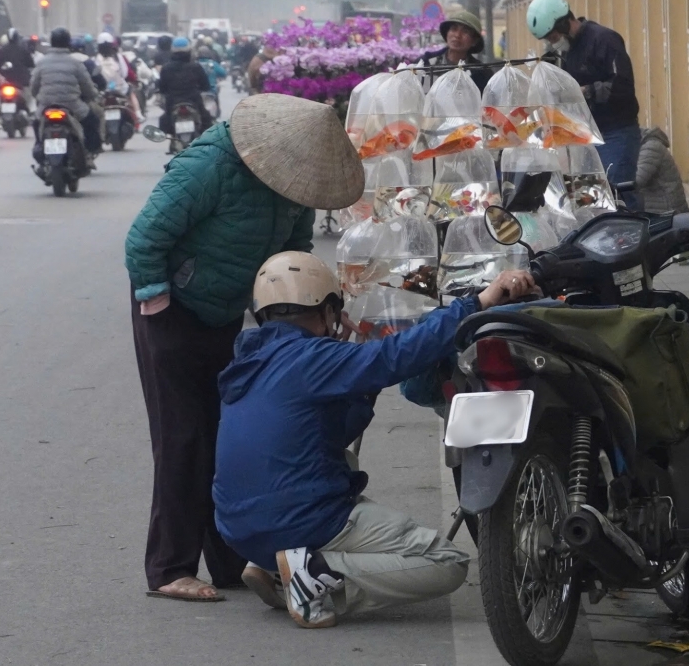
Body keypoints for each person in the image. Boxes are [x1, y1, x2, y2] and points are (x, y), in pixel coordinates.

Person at [124, 93, 365, 604]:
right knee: (183, 437)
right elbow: (144, 238)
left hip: (226, 309)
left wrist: (316, 310)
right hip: (171, 307)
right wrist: (158, 304)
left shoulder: (290, 185)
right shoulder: (208, 166)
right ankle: (169, 566)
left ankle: (231, 561)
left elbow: (291, 255)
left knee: (226, 432)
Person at [214, 255, 536, 628]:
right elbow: (396, 355)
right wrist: (479, 302)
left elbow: (330, 434)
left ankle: (272, 564)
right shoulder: (313, 358)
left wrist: (354, 380)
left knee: (331, 462)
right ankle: (312, 574)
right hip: (296, 519)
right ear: (328, 310)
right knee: (447, 563)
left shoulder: (251, 361)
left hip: (240, 528)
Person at [526, 0, 642, 208]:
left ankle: (639, 235)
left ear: (563, 23)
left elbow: (622, 85)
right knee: (593, 197)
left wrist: (585, 91)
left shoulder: (603, 39)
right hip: (586, 134)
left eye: (552, 37)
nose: (553, 43)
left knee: (618, 191)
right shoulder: (567, 52)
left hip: (616, 132)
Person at [29, 27, 101, 161]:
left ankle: (39, 145)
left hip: (46, 105)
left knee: (36, 123)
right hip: (72, 105)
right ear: (68, 43)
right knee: (92, 120)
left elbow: (33, 86)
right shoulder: (76, 63)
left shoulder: (41, 62)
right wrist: (92, 95)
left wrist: (38, 97)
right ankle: (89, 150)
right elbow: (87, 86)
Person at [420, 10, 492, 92]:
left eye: (465, 32)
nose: (457, 35)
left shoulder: (482, 73)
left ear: (474, 41)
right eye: (454, 29)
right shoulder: (426, 63)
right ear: (447, 33)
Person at [157, 37, 211, 144]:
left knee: (166, 118)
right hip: (193, 99)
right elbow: (205, 85)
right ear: (189, 51)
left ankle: (173, 138)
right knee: (206, 119)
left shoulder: (166, 68)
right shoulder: (196, 66)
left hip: (172, 101)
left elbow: (162, 88)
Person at [634, 126, 689, 215]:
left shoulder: (651, 147)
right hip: (656, 208)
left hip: (667, 211)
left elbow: (636, 181)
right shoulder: (642, 146)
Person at [94, 32, 141, 118]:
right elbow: (124, 73)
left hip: (102, 91)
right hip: (120, 89)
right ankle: (138, 114)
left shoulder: (96, 59)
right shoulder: (118, 57)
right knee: (131, 93)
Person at [0, 28, 36, 96]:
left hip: (5, 82)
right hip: (20, 82)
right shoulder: (23, 50)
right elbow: (31, 64)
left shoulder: (1, 50)